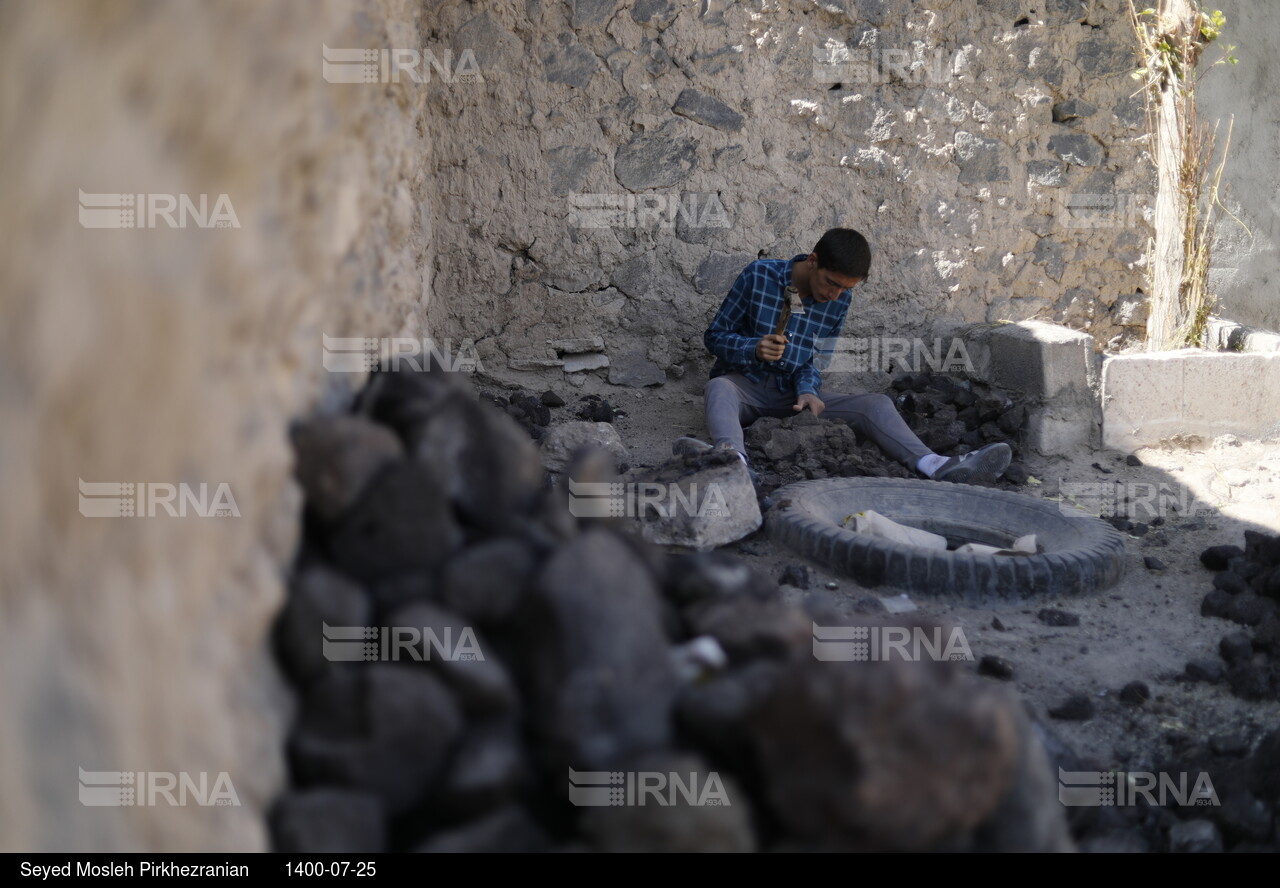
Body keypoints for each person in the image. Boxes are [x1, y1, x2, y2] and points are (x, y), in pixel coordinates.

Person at [679, 228, 1010, 487]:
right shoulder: (758, 276)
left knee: (875, 404)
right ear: (812, 261)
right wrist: (752, 348)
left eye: (845, 289)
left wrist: (808, 390)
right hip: (745, 388)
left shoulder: (839, 300)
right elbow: (715, 337)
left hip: (791, 399)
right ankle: (733, 464)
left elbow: (817, 360)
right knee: (719, 388)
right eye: (831, 283)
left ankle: (936, 465)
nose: (834, 295)